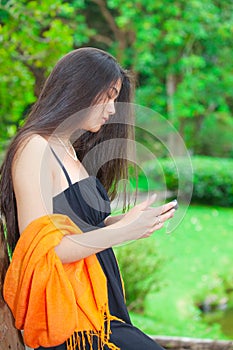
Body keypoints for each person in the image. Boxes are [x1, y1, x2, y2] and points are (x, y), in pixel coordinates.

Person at [0, 48, 177, 350]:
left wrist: (124, 220)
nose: (112, 109)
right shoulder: (35, 148)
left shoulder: (67, 148)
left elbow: (78, 224)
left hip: (100, 312)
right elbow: (44, 253)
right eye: (107, 96)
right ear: (78, 89)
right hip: (72, 320)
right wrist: (121, 233)